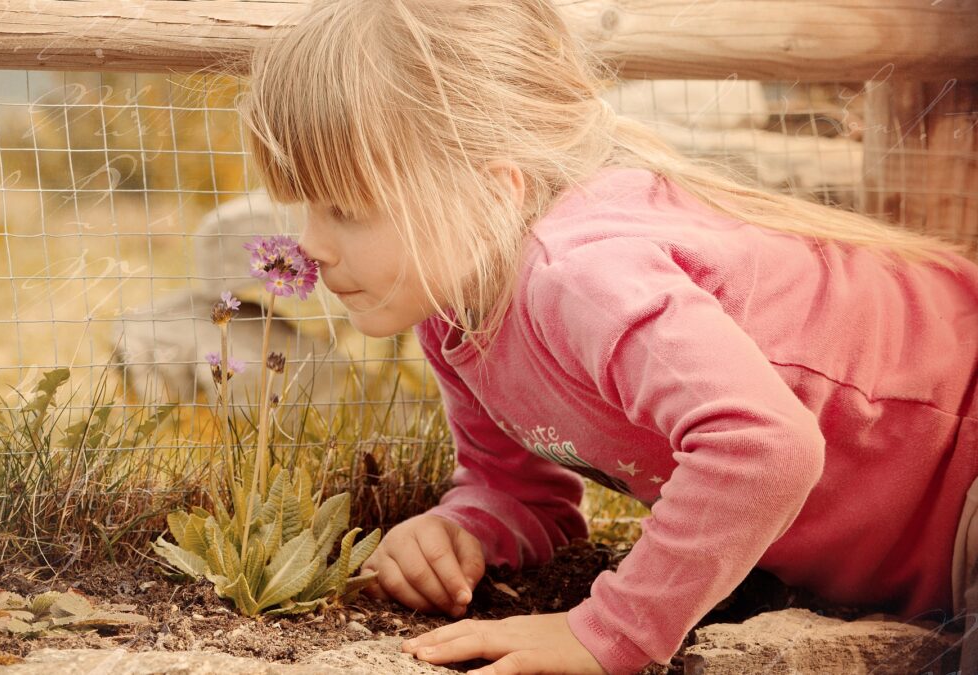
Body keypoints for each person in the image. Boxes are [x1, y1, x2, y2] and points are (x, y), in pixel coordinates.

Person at [236, 1, 978, 672]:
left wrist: (609, 629)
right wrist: (465, 526)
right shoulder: (455, 315)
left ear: (497, 189)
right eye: (305, 208)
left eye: (346, 209)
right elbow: (523, 490)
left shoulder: (581, 274)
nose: (312, 246)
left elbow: (764, 444)